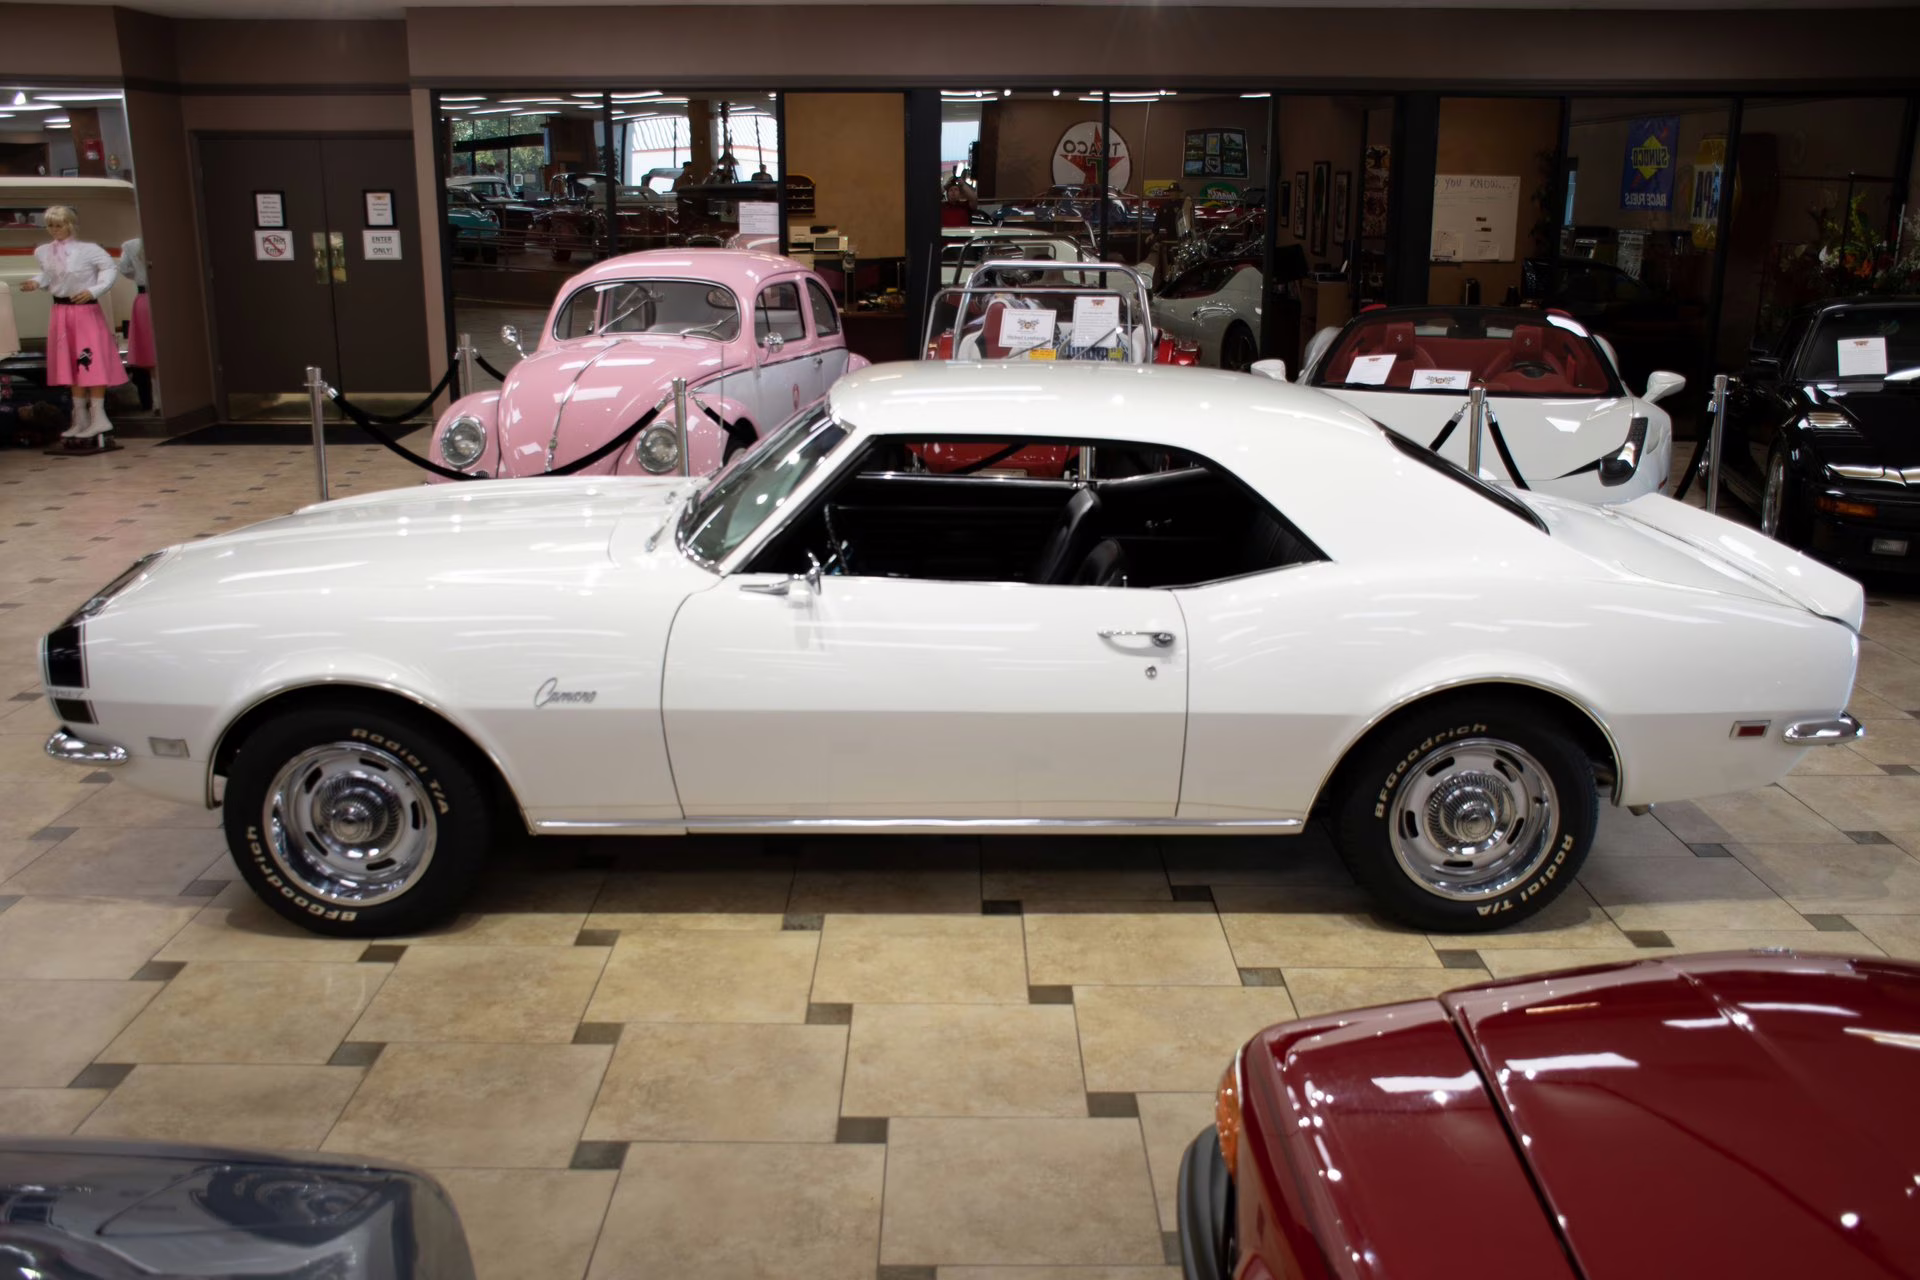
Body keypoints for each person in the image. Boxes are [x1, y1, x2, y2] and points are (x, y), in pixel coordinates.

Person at [17, 205, 126, 443]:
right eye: (51, 226)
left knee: (90, 360)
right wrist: (36, 283)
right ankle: (81, 416)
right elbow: (49, 275)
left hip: (85, 311)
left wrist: (94, 290)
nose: (55, 230)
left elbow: (109, 269)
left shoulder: (89, 250)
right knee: (70, 364)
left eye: (59, 225)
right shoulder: (43, 252)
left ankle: (99, 415)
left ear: (70, 224)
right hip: (61, 311)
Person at [117, 235, 155, 410]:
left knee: (147, 352)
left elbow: (124, 269)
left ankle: (152, 401)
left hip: (143, 297)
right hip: (166, 296)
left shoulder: (131, 245)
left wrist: (139, 275)